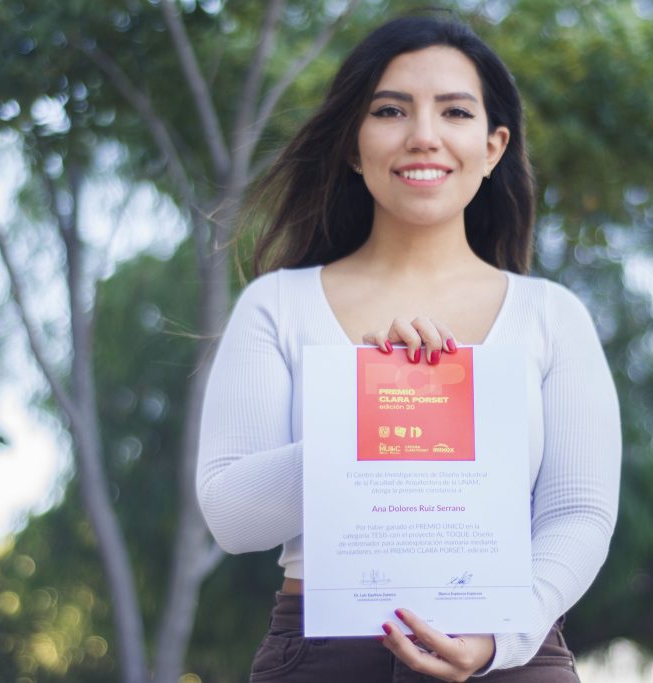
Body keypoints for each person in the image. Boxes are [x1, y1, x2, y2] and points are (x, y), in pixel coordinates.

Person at [196, 14, 621, 683]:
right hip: (324, 656)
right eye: (391, 110)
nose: (423, 135)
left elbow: (579, 514)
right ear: (353, 145)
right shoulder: (276, 305)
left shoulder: (551, 317)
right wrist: (373, 419)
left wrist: (496, 638)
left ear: (492, 146)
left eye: (455, 111)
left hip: (508, 656)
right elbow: (229, 514)